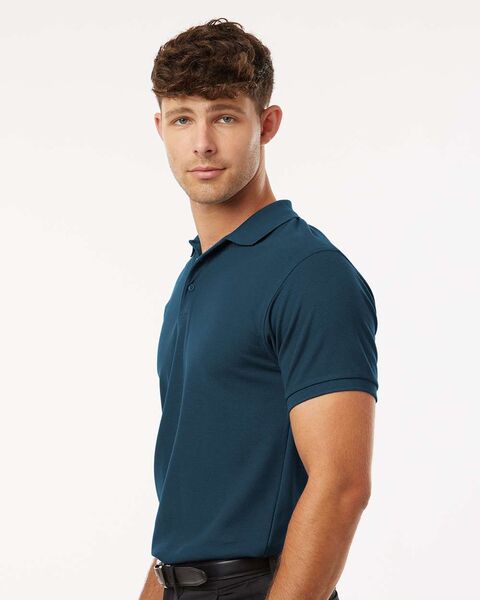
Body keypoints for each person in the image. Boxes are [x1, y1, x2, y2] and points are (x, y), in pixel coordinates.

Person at [139, 17, 378, 600]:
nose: (201, 143)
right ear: (160, 127)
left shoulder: (309, 274)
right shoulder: (195, 277)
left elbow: (342, 484)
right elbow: (191, 498)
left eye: (224, 116)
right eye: (182, 118)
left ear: (266, 124)